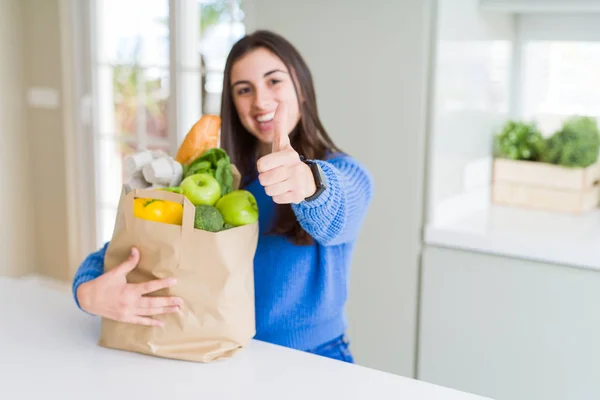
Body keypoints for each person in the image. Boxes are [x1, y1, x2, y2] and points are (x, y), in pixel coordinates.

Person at [72, 30, 374, 364]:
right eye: (244, 90)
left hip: (316, 361)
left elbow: (339, 210)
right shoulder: (217, 179)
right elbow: (130, 247)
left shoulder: (343, 172)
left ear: (301, 86)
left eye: (274, 81)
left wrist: (308, 182)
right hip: (224, 356)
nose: (259, 101)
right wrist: (88, 292)